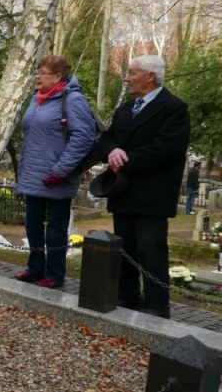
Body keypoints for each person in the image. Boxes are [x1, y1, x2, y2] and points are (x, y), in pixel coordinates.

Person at [96, 55, 190, 319]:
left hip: (152, 194)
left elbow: (167, 147)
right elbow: (105, 138)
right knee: (125, 248)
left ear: (151, 76)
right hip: (123, 190)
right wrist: (112, 150)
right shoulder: (125, 109)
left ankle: (157, 304)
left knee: (151, 251)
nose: (126, 78)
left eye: (132, 73)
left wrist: (123, 160)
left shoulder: (174, 108)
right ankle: (127, 295)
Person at [14, 56, 98, 289]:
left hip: (58, 176)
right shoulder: (37, 98)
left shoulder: (73, 100)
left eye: (42, 72)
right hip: (34, 174)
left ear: (57, 76)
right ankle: (35, 267)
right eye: (37, 72)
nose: (38, 77)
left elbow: (84, 137)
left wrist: (61, 169)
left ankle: (55, 273)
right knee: (32, 224)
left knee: (56, 228)